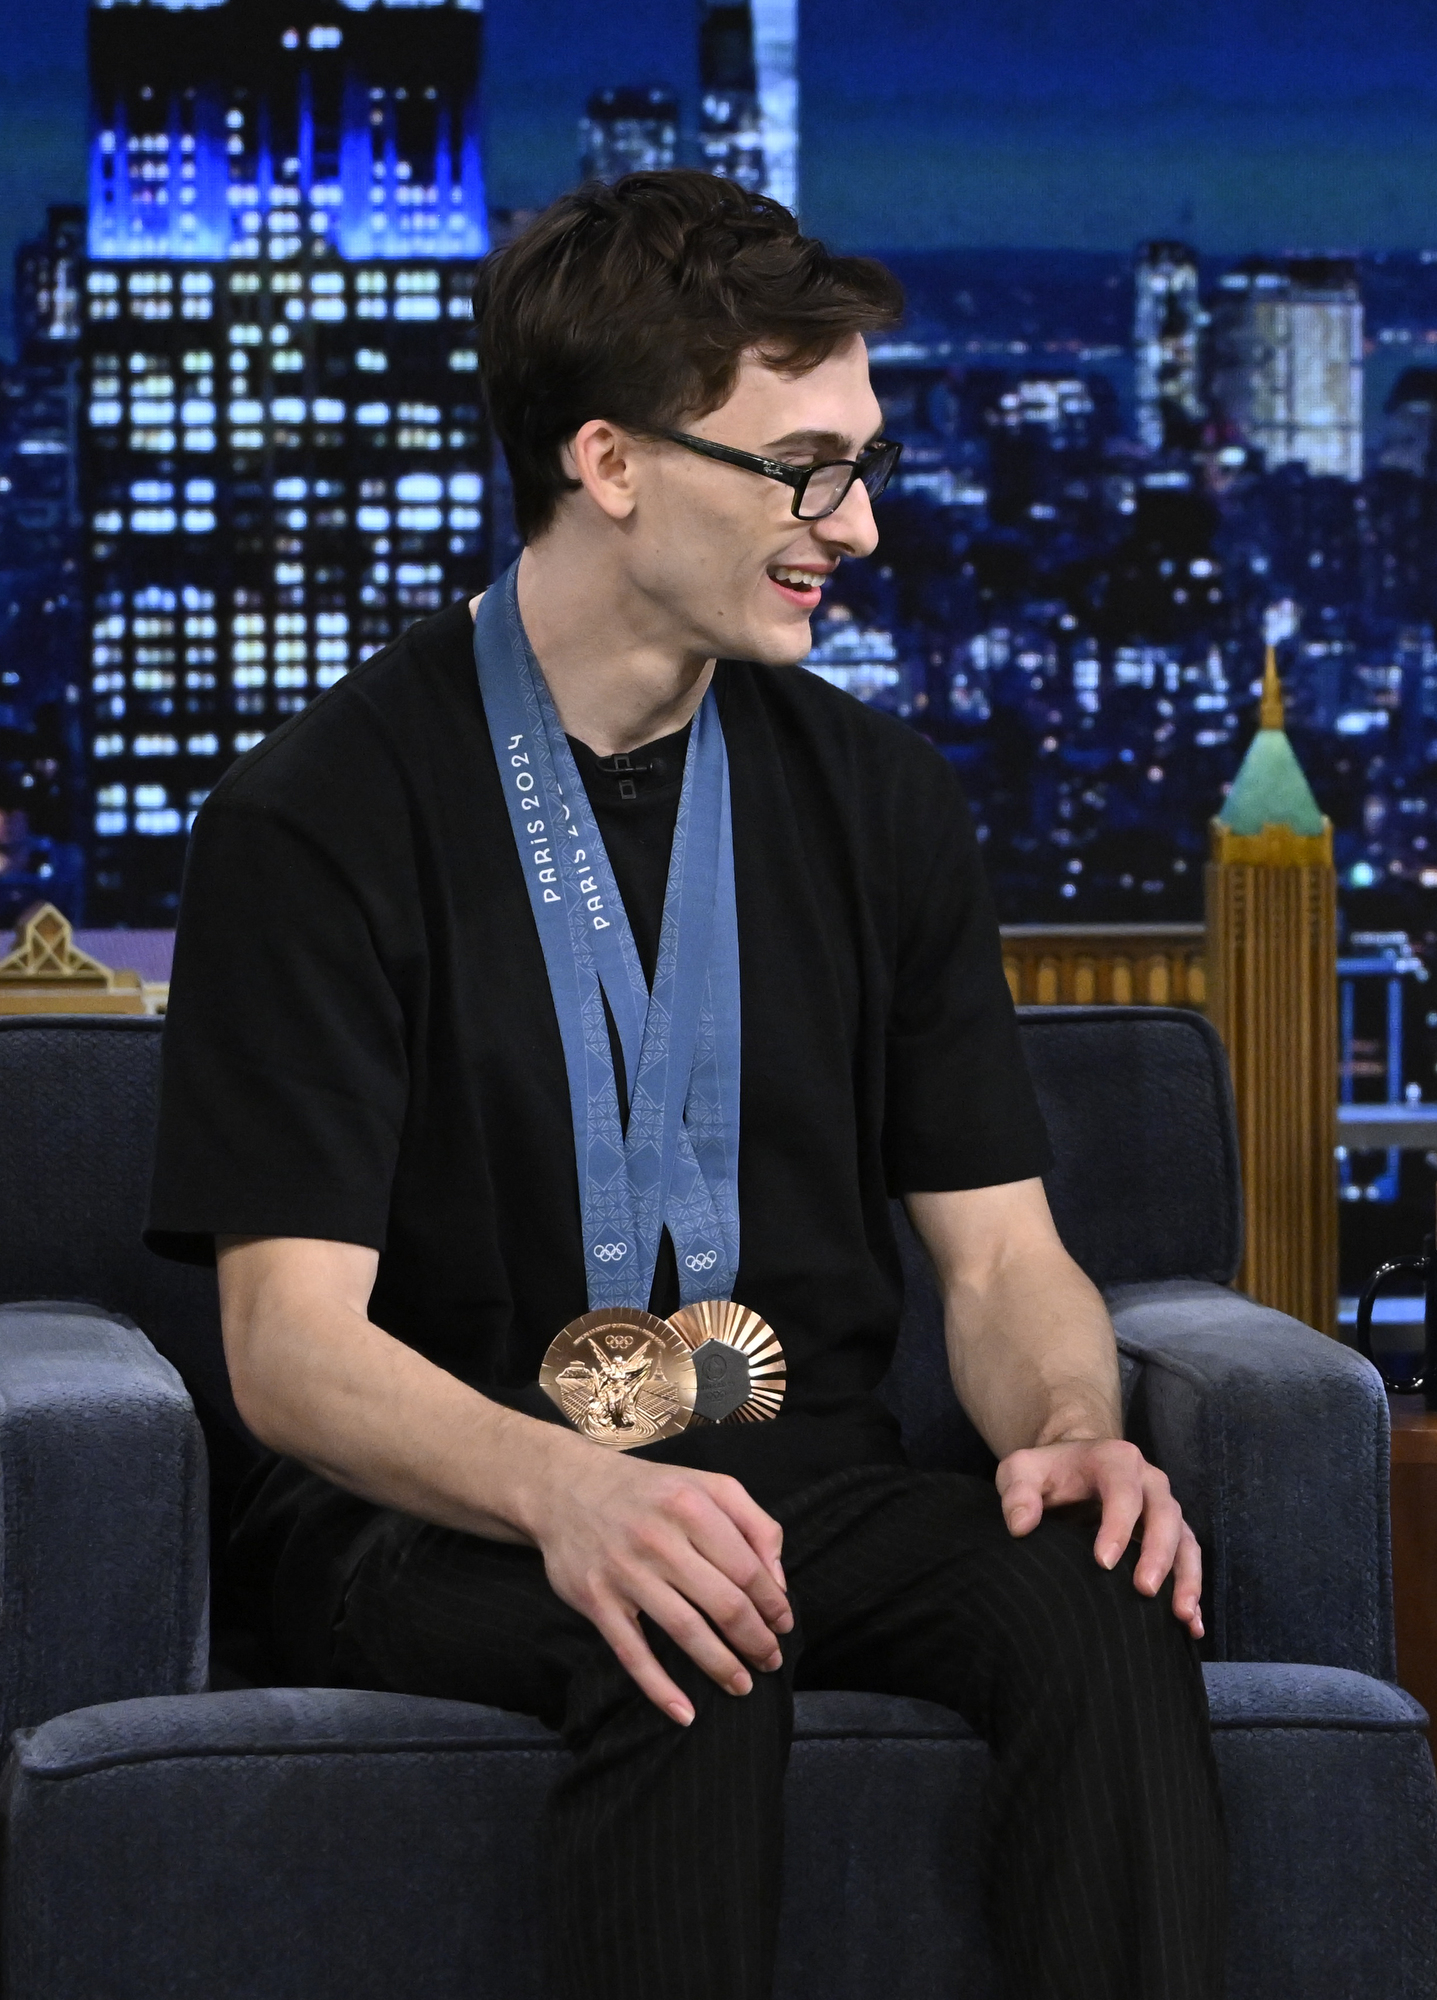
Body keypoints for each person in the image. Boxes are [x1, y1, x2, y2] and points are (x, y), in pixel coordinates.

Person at [145, 171, 1223, 1999]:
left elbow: (997, 1265)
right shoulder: (314, 816)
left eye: (863, 466)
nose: (857, 527)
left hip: (797, 1469)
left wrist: (1063, 1427)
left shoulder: (882, 802)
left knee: (1096, 1600)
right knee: (683, 1633)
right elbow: (289, 1348)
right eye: (803, 469)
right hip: (433, 1509)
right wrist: (571, 1494)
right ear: (611, 463)